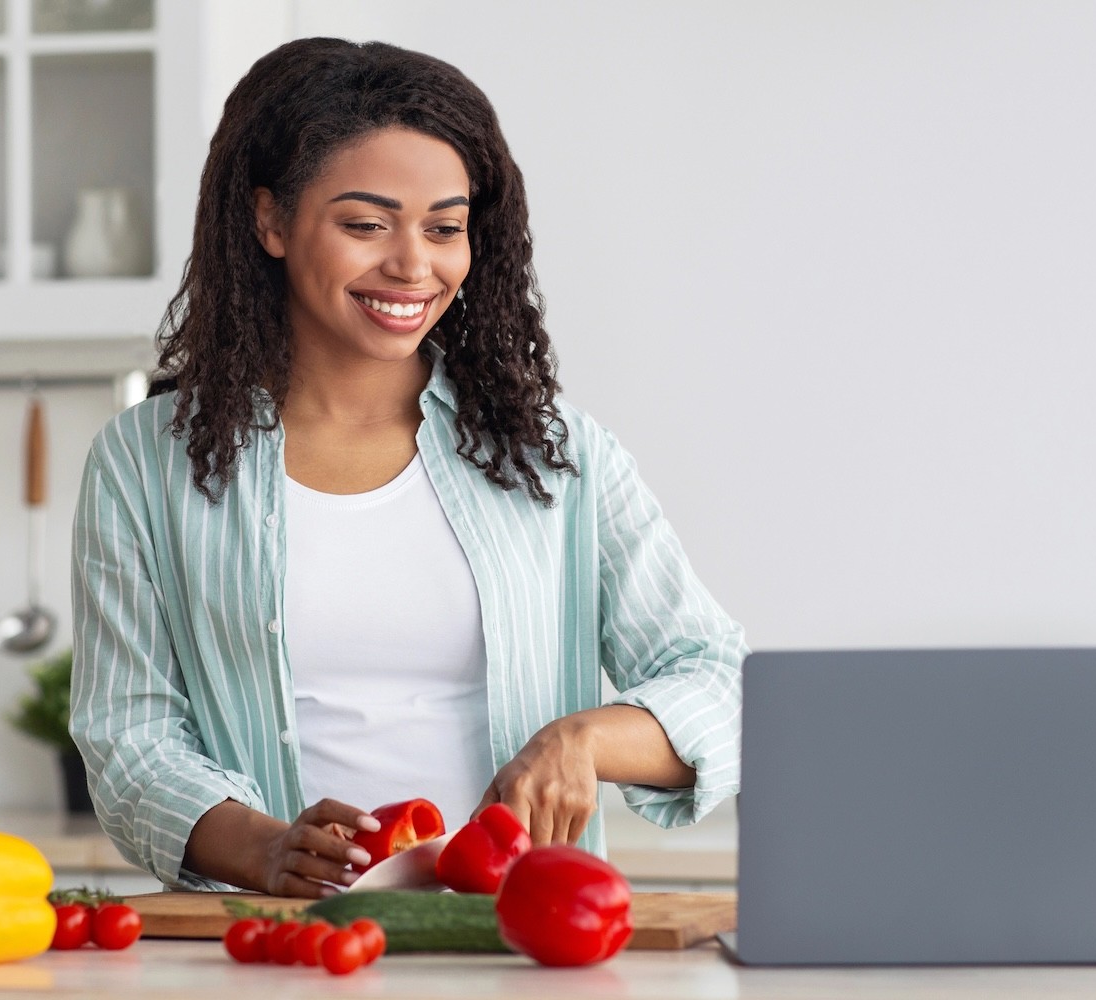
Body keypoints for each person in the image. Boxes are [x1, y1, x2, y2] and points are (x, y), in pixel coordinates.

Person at [70, 37, 747, 898]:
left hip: (519, 942)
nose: (412, 264)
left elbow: (725, 685)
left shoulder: (555, 454)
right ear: (269, 220)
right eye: (365, 224)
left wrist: (585, 740)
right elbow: (128, 738)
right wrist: (265, 849)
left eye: (445, 228)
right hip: (271, 947)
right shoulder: (144, 462)